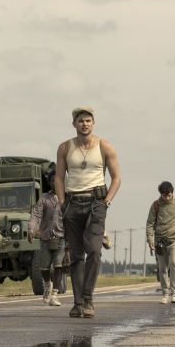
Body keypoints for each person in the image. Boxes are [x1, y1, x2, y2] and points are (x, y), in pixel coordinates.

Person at [55, 106, 121, 319]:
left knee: (94, 250)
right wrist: (61, 202)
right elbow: (59, 177)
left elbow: (116, 177)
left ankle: (88, 299)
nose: (84, 124)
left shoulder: (104, 146)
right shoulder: (65, 147)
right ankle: (78, 303)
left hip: (96, 203)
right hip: (72, 203)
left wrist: (106, 201)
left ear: (93, 123)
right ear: (74, 124)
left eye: (88, 120)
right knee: (75, 255)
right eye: (80, 121)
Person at [146, 181, 175, 305]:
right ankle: (165, 294)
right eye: (164, 195)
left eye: (169, 195)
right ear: (161, 194)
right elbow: (150, 224)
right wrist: (150, 240)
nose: (167, 198)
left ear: (172, 193)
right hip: (160, 242)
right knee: (162, 268)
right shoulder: (155, 205)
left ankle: (174, 294)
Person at [28, 177, 66, 306]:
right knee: (44, 268)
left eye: (57, 180)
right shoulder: (44, 198)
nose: (55, 183)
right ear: (50, 183)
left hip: (61, 237)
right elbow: (36, 215)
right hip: (45, 238)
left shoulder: (66, 198)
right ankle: (48, 284)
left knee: (58, 266)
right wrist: (31, 229)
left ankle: (54, 295)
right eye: (52, 181)